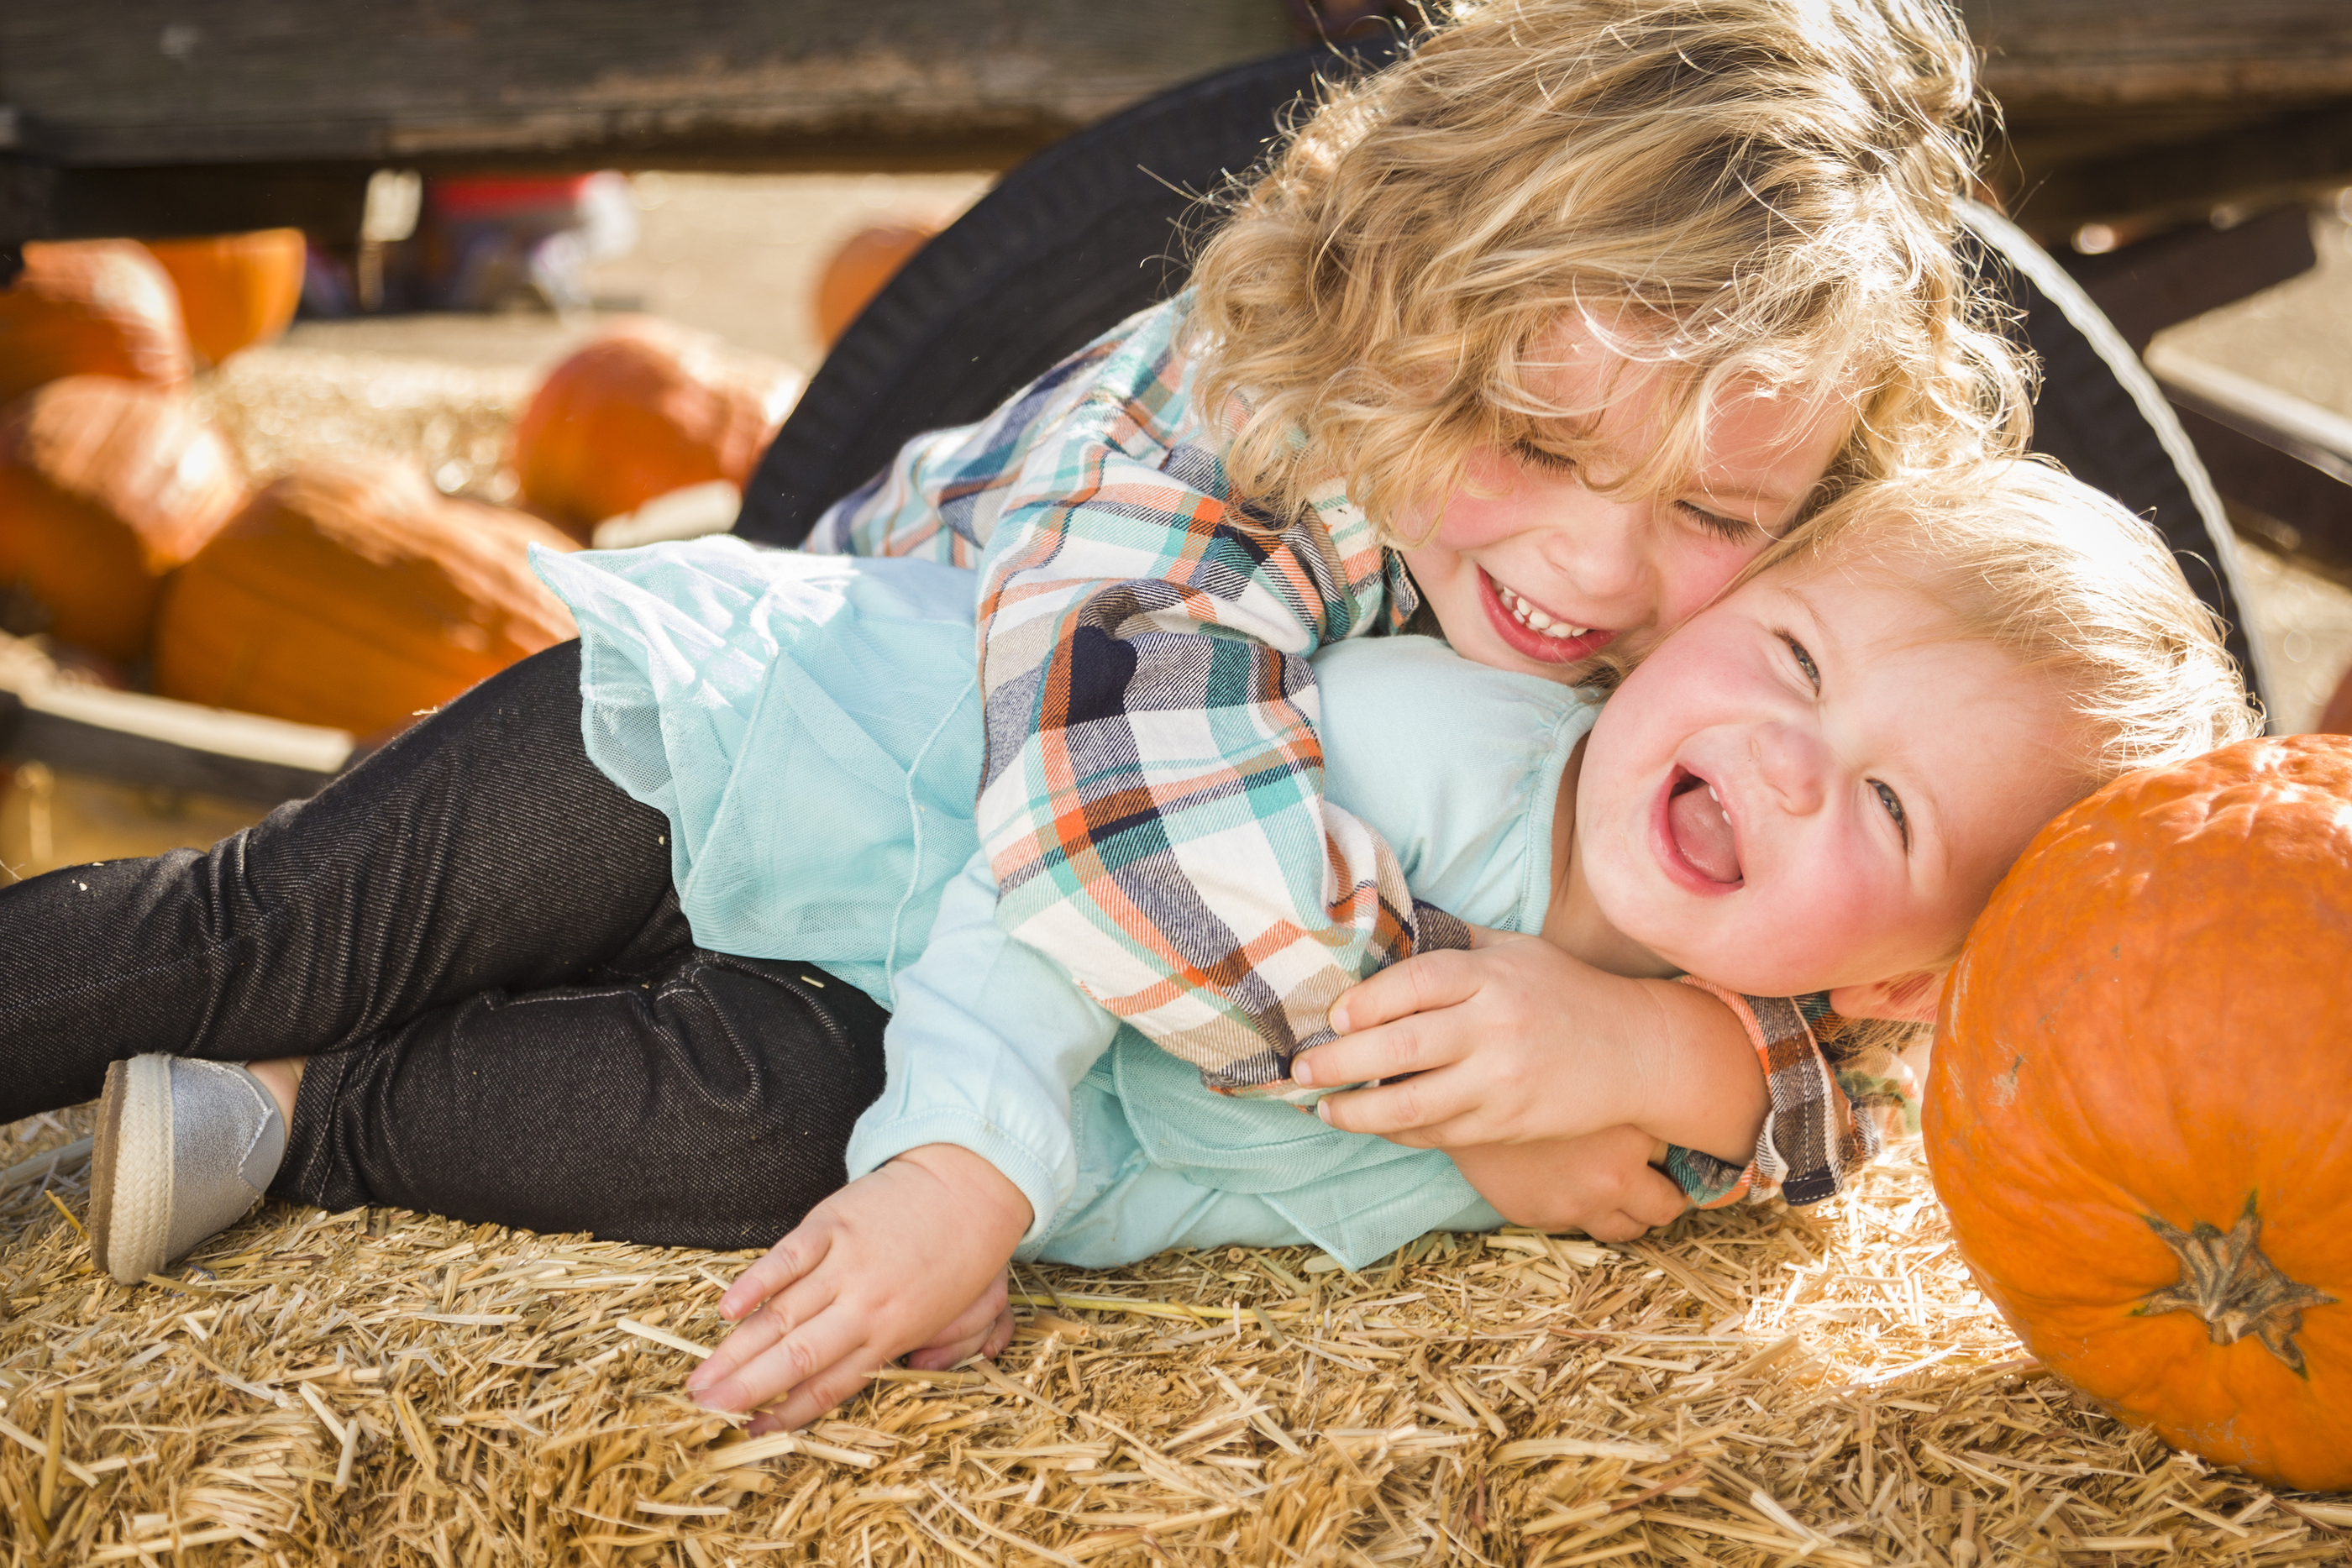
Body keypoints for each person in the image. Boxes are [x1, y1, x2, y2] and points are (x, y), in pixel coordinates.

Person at [71, 460, 2255, 1442]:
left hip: (845, 997)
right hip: (780, 757)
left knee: (756, 1142)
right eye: (1784, 655)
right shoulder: (1430, 742)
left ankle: (311, 1119)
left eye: (1877, 807)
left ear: (1897, 971)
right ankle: (217, 1023)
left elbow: (1821, 1140)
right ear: (1698, 620)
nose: (1783, 758)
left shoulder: (1735, 1074)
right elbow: (1048, 893)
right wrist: (970, 1174)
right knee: (268, 925)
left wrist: (1624, 1057)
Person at [798, 0, 2029, 1225]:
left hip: (1065, 968)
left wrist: (1649, 1047)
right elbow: (1129, 837)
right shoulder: (1235, 417)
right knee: (789, 1103)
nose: (1598, 571)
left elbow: (1872, 1021)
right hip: (835, 781)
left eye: (1710, 514)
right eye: (1537, 443)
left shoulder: (1789, 635)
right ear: (1396, 300)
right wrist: (1475, 1098)